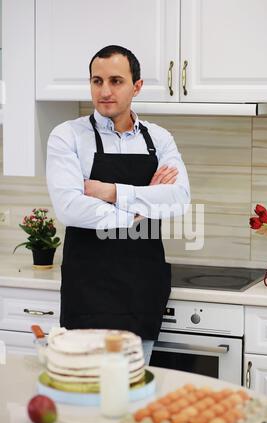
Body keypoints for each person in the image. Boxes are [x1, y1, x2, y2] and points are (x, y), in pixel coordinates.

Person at [46, 45, 190, 364]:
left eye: (116, 81)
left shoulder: (159, 138)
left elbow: (179, 199)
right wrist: (140, 207)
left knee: (132, 395)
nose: (105, 91)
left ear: (136, 86)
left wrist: (110, 192)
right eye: (97, 81)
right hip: (88, 288)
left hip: (143, 286)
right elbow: (70, 207)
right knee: (87, 392)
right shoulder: (67, 136)